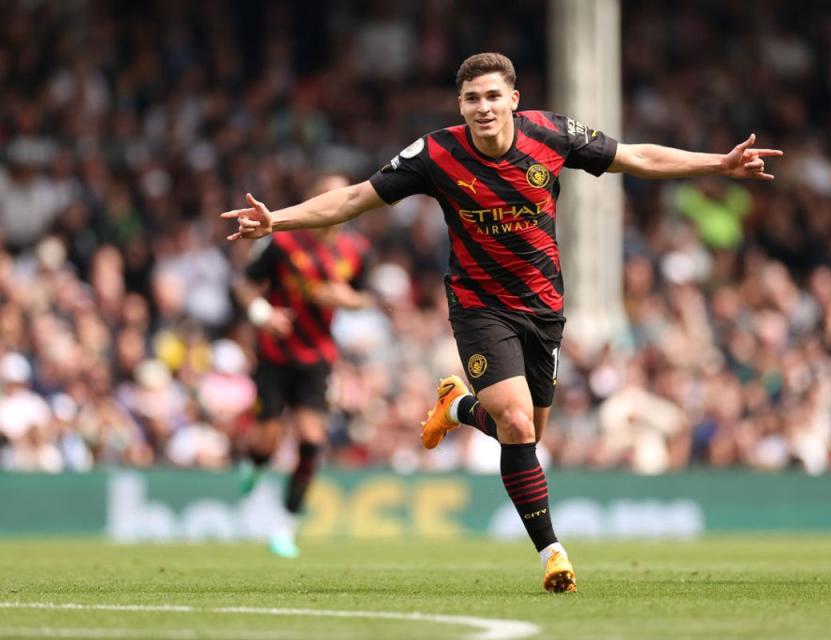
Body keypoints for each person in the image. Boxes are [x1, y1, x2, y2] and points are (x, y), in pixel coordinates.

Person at [222, 52, 781, 590]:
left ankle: (459, 407)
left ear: (514, 99)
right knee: (515, 424)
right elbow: (355, 199)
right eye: (471, 98)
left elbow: (637, 157)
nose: (483, 106)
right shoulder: (436, 154)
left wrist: (719, 163)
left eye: (493, 95)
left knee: (529, 433)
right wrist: (278, 222)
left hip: (544, 310)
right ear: (460, 105)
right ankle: (553, 554)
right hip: (479, 307)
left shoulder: (554, 135)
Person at [234, 172, 373, 558]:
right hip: (275, 354)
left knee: (312, 441)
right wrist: (263, 314)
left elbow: (366, 297)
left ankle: (285, 527)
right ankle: (256, 462)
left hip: (318, 358)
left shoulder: (356, 250)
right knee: (267, 440)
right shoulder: (283, 242)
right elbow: (244, 284)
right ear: (315, 200)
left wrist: (347, 300)